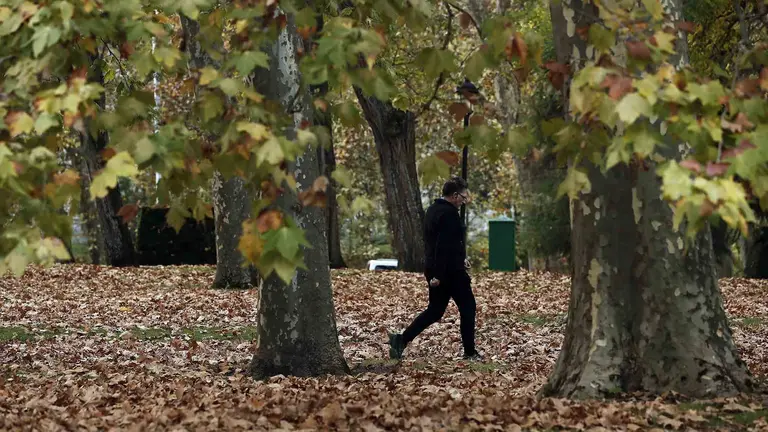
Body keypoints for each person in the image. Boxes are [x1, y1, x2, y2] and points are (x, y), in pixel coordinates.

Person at [388, 177, 482, 361]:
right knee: (468, 307)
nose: (464, 201)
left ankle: (401, 340)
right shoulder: (449, 215)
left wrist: (460, 259)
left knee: (435, 310)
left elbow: (441, 243)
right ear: (455, 195)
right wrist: (439, 275)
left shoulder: (433, 210)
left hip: (439, 268)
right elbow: (442, 246)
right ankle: (470, 353)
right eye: (463, 196)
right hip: (449, 273)